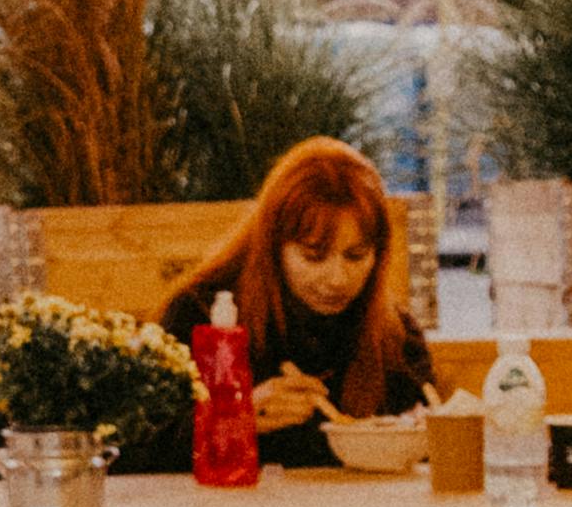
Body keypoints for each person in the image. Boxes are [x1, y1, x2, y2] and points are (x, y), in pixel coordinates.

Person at [153, 134, 436, 466]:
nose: (337, 279)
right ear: (273, 248)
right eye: (313, 256)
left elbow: (427, 450)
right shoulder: (202, 316)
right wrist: (228, 419)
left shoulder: (395, 337)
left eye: (356, 256)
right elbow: (133, 452)